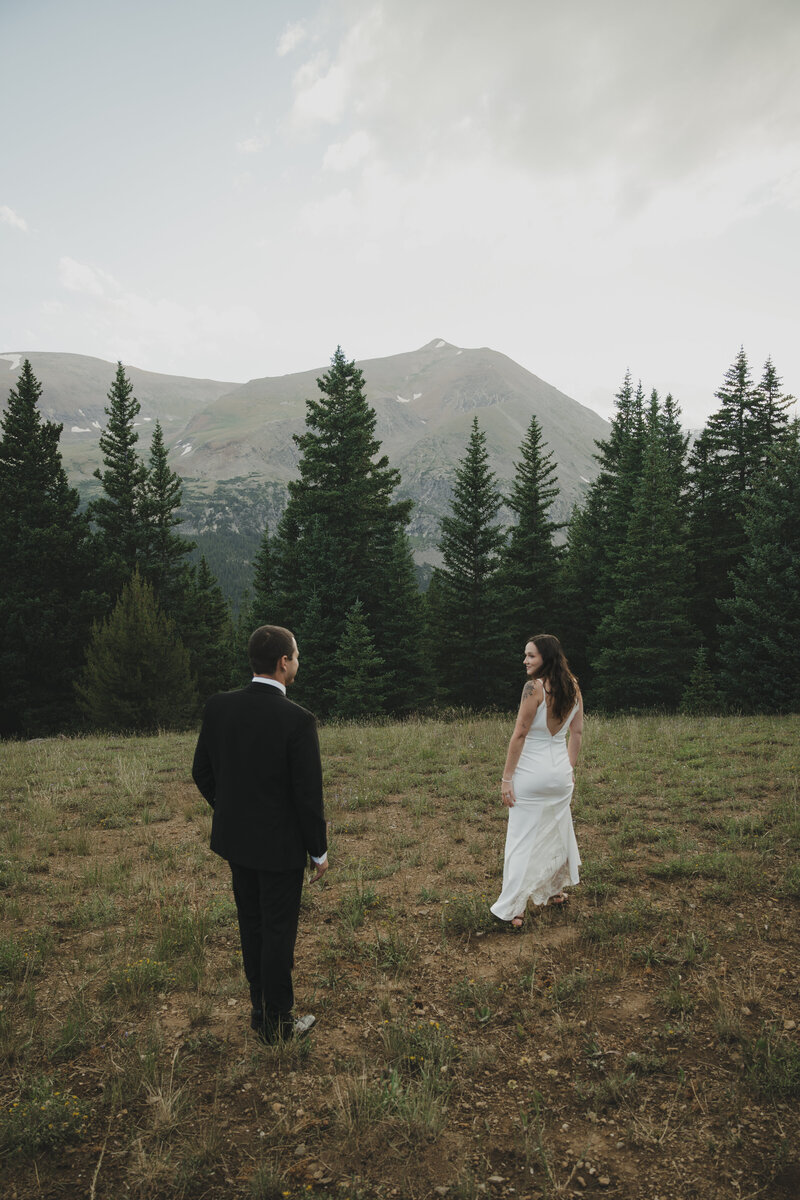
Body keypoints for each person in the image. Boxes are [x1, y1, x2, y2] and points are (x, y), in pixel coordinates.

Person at [192, 624, 328, 1042]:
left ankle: (259, 1010)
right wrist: (318, 852)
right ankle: (279, 1022)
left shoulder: (219, 707)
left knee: (250, 925)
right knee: (278, 932)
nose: (298, 662)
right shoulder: (297, 720)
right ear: (283, 662)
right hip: (281, 847)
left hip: (238, 842)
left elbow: (202, 772)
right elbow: (308, 797)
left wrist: (233, 812)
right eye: (297, 656)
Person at [490, 634, 583, 928]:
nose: (525, 660)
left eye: (531, 656)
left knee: (520, 841)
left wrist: (507, 779)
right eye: (525, 655)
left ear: (546, 657)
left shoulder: (534, 688)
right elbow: (577, 733)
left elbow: (519, 734)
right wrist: (568, 768)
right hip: (560, 774)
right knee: (557, 830)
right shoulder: (574, 686)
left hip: (531, 775)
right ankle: (555, 891)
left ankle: (513, 910)